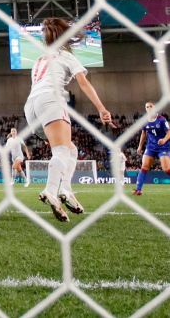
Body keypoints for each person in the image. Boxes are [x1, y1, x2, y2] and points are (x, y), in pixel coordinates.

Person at [23, 18, 114, 222]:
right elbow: (83, 83)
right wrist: (101, 108)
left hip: (31, 107)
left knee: (70, 150)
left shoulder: (39, 60)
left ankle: (66, 190)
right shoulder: (66, 56)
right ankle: (50, 191)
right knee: (62, 151)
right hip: (51, 100)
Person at [133, 102, 170, 195]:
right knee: (144, 167)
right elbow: (144, 133)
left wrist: (164, 140)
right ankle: (138, 190)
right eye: (147, 107)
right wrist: (140, 146)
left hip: (163, 147)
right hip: (150, 147)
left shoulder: (161, 120)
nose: (149, 108)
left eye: (151, 106)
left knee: (166, 169)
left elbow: (169, 132)